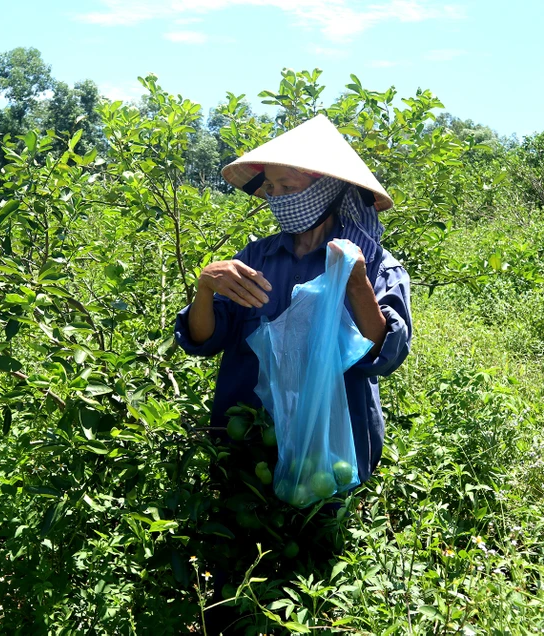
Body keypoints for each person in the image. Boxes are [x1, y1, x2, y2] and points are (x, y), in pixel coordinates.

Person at [174, 114, 412, 633]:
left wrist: (354, 287)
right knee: (234, 574)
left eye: (289, 184)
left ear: (329, 188)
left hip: (330, 450)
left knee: (315, 582)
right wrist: (205, 288)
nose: (277, 196)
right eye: (272, 187)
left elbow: (386, 352)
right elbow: (202, 341)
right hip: (246, 443)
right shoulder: (254, 259)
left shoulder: (375, 263)